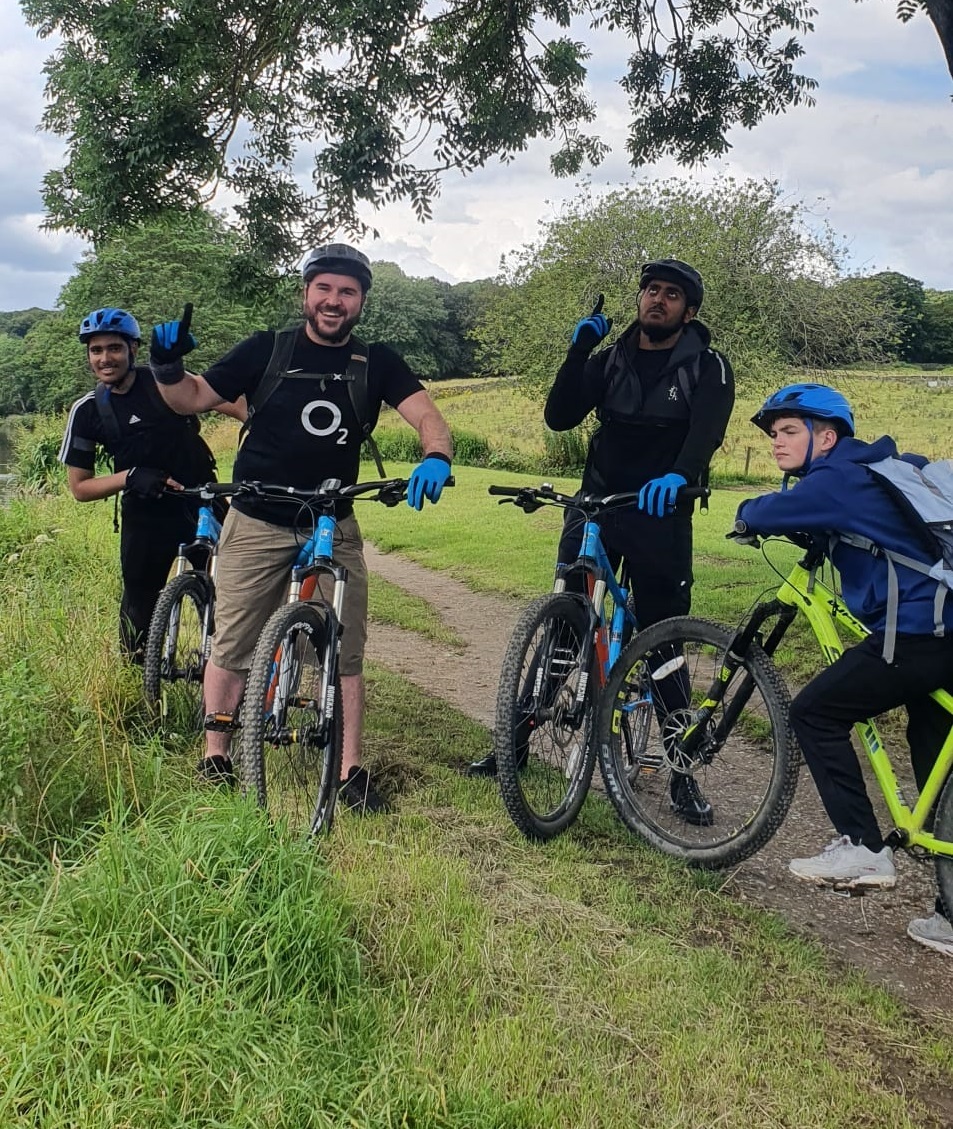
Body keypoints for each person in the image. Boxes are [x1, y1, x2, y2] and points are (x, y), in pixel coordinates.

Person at [148, 243, 453, 813]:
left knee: (346, 649)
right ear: (306, 293)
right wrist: (165, 366)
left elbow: (427, 415)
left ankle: (349, 771)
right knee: (234, 638)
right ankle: (217, 755)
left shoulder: (376, 361)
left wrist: (435, 454)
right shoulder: (267, 349)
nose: (334, 301)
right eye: (324, 289)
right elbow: (188, 398)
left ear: (361, 301)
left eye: (347, 292)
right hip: (258, 516)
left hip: (332, 519)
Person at [466, 258, 735, 827]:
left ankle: (682, 772)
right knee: (564, 625)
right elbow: (560, 417)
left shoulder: (707, 365)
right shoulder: (611, 358)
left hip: (661, 510)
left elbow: (707, 431)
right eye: (650, 291)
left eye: (670, 294)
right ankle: (514, 746)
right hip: (596, 505)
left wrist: (683, 475)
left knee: (663, 641)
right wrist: (576, 353)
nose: (656, 300)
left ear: (689, 310)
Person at [736, 382, 953, 957]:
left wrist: (745, 513)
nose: (777, 442)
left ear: (825, 436)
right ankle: (951, 917)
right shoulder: (878, 470)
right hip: (945, 628)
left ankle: (862, 846)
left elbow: (767, 510)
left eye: (789, 431)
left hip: (916, 633)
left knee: (815, 711)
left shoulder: (838, 477)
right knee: (940, 767)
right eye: (774, 434)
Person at [58, 307, 226, 662]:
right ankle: (138, 690)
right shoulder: (88, 411)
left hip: (200, 502)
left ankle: (229, 678)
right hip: (145, 512)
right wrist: (129, 477)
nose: (105, 358)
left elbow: (228, 400)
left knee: (228, 597)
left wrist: (255, 434)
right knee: (138, 606)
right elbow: (80, 488)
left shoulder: (164, 382)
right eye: (96, 350)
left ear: (133, 350)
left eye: (114, 348)